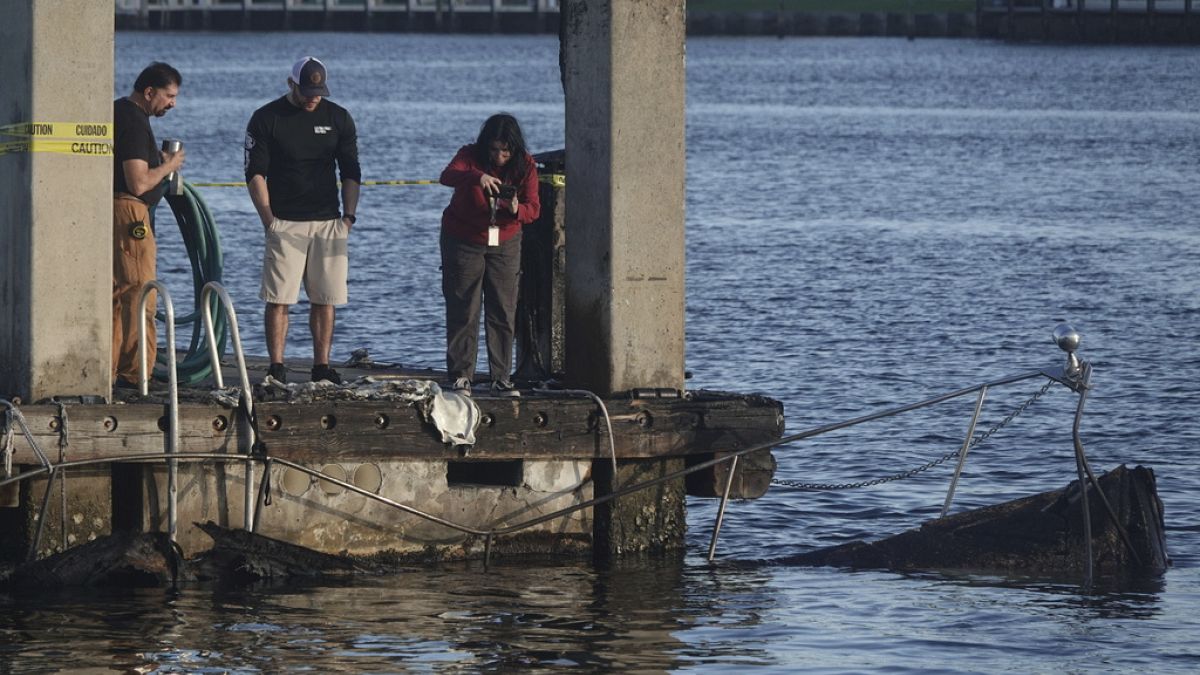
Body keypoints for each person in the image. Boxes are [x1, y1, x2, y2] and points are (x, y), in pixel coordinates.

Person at [245, 56, 360, 384]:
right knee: (279, 297)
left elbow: (351, 171)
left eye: (319, 90)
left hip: (329, 221)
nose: (313, 97)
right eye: (307, 90)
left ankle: (321, 366)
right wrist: (269, 220)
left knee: (326, 298)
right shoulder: (267, 118)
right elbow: (255, 173)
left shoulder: (338, 118)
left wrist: (348, 217)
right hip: (284, 220)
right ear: (290, 84)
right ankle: (277, 366)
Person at [439, 113, 541, 397]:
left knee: (503, 309)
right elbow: (446, 176)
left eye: (505, 152)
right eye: (494, 150)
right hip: (463, 238)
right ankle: (461, 376)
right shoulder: (469, 155)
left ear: (515, 149)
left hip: (505, 240)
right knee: (463, 307)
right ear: (486, 145)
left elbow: (534, 210)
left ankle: (501, 376)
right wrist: (476, 177)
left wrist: (516, 208)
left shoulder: (526, 165)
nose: (499, 157)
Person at [112, 62, 185, 390]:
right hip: (130, 214)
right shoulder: (135, 122)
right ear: (149, 92)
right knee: (140, 291)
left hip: (113, 212)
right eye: (169, 96)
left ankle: (114, 368)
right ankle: (136, 373)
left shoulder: (118, 112)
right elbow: (138, 182)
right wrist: (169, 165)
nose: (172, 103)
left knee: (118, 293)